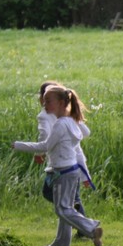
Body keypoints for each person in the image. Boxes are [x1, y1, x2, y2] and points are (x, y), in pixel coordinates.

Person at [13, 85, 103, 246]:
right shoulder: (70, 121)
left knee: (62, 209)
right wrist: (85, 175)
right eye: (44, 101)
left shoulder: (60, 124)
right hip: (71, 171)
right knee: (65, 208)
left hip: (63, 173)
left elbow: (45, 146)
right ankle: (60, 243)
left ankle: (91, 228)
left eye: (48, 101)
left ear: (61, 103)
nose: (44, 104)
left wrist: (18, 145)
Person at [35, 80, 91, 228]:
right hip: (75, 161)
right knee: (71, 197)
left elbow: (44, 135)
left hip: (61, 163)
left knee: (51, 193)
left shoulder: (45, 116)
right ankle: (78, 221)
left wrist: (41, 152)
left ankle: (78, 219)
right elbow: (86, 132)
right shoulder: (69, 114)